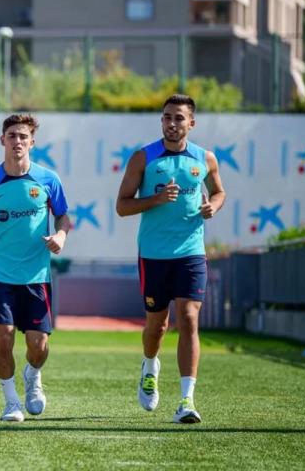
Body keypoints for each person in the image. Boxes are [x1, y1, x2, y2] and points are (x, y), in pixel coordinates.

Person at [116, 94, 225, 424]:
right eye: (167, 117)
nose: (172, 123)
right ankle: (150, 366)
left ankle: (187, 400)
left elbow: (219, 192)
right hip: (153, 255)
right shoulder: (143, 158)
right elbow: (122, 206)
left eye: (179, 118)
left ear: (191, 123)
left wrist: (212, 207)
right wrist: (157, 199)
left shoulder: (204, 158)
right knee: (157, 325)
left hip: (191, 252)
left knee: (189, 317)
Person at [0, 114, 70, 423]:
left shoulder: (49, 180)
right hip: (0, 271)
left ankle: (32, 374)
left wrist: (60, 235)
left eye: (23, 136)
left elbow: (63, 216)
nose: (17, 141)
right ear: (2, 140)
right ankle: (11, 402)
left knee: (38, 345)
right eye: (12, 135)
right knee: (4, 335)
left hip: (37, 273)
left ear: (32, 142)